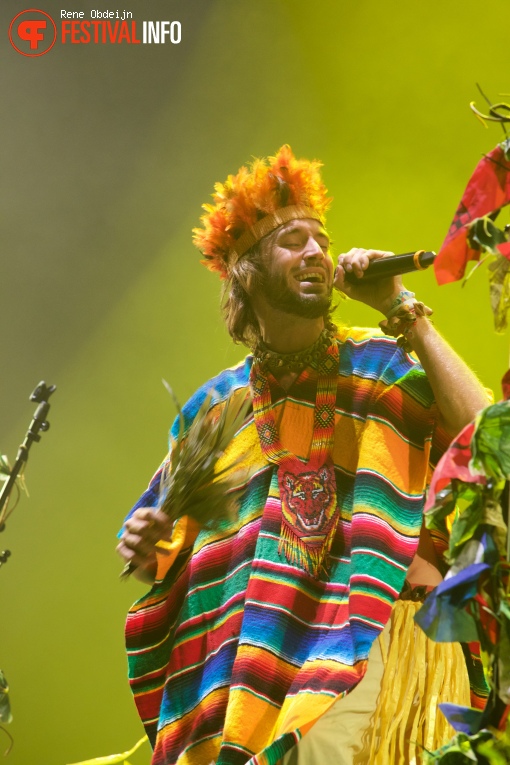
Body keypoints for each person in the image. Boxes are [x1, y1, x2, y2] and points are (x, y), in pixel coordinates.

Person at [117, 146, 489, 765]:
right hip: (262, 672)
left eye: (321, 239)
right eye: (292, 240)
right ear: (244, 272)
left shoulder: (381, 365)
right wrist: (149, 544)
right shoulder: (216, 410)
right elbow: (176, 547)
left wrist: (401, 309)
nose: (317, 251)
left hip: (379, 647)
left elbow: (489, 438)